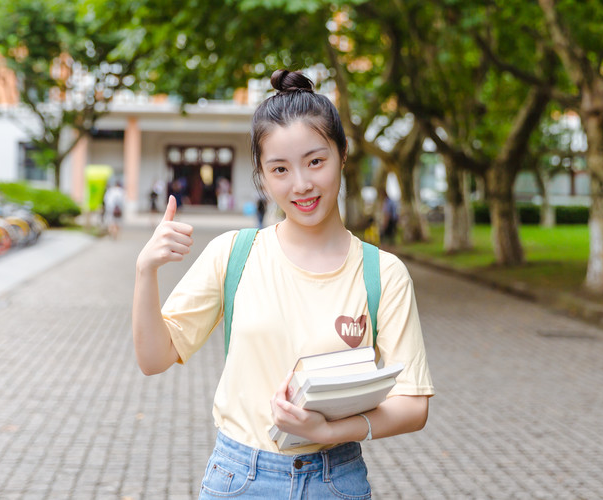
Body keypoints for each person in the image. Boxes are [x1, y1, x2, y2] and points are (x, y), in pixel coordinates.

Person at [132, 70, 434, 499]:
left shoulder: (383, 273)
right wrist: (146, 271)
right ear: (261, 174)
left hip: (336, 480)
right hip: (238, 480)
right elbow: (153, 358)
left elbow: (414, 405)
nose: (301, 184)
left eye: (316, 161)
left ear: (343, 154)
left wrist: (328, 428)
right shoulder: (233, 254)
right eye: (280, 169)